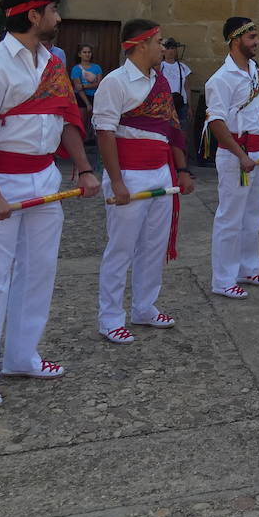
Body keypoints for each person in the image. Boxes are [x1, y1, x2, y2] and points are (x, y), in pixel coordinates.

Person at [0, 0, 99, 409]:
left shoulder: (53, 62)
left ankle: (21, 356)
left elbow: (65, 116)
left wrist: (86, 168)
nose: (59, 17)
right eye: (53, 10)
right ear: (34, 14)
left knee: (39, 273)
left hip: (45, 180)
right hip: (2, 182)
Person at [93, 19, 195, 340]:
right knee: (121, 248)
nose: (163, 48)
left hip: (160, 172)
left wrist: (182, 170)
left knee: (154, 245)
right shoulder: (115, 82)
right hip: (130, 174)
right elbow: (105, 133)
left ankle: (144, 307)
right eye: (159, 42)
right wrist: (118, 181)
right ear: (141, 45)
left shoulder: (161, 81)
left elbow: (172, 129)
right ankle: (110, 318)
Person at [204, 16, 259, 300]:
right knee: (230, 217)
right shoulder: (221, 79)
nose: (257, 42)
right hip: (235, 155)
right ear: (236, 39)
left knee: (253, 215)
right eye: (252, 37)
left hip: (258, 152)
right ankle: (223, 279)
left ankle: (248, 267)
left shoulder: (255, 71)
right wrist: (240, 155)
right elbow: (215, 123)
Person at [70, 44, 103, 135]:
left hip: (95, 97)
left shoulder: (97, 68)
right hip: (81, 97)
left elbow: (99, 84)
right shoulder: (76, 69)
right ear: (79, 54)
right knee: (82, 121)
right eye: (84, 52)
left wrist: (84, 86)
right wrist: (87, 103)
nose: (87, 54)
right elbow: (78, 88)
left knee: (95, 122)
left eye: (89, 52)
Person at [159, 39, 194, 124]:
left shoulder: (183, 67)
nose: (171, 51)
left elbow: (187, 88)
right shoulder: (160, 67)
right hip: (165, 104)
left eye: (173, 48)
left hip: (182, 104)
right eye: (168, 48)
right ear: (164, 51)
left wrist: (189, 107)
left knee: (182, 130)